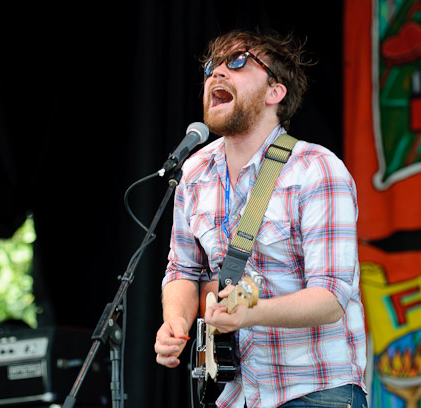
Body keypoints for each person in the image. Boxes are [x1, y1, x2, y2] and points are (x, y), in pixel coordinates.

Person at [154, 29, 367, 408]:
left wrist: (249, 314)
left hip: (316, 391)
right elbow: (182, 271)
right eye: (211, 66)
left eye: (237, 62)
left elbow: (331, 297)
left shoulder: (316, 169)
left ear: (275, 92)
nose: (216, 73)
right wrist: (175, 323)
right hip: (238, 394)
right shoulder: (195, 170)